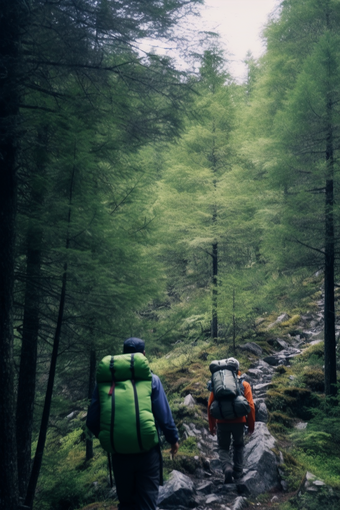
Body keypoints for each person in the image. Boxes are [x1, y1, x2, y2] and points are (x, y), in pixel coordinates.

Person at [86, 337, 179, 510]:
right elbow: (164, 417)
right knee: (147, 504)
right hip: (147, 453)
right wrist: (173, 439)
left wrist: (111, 435)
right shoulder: (152, 379)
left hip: (119, 454)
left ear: (123, 355)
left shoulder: (105, 382)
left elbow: (91, 420)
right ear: (143, 355)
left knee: (127, 504)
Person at [207, 357, 255, 484]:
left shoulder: (218, 385)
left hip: (222, 421)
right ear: (237, 370)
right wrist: (251, 426)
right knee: (238, 445)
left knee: (223, 447)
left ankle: (227, 468)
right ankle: (238, 472)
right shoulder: (244, 384)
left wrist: (212, 426)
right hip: (239, 421)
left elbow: (210, 405)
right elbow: (250, 406)